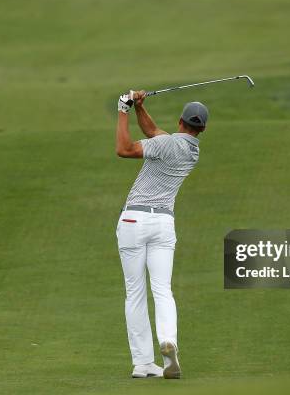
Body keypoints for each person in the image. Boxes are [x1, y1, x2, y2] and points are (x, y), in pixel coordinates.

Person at [115, 90, 208, 379]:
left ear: (180, 121)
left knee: (135, 292)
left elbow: (125, 149)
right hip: (163, 225)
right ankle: (169, 342)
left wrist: (123, 110)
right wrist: (141, 108)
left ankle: (142, 362)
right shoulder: (191, 151)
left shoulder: (165, 144)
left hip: (133, 220)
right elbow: (154, 132)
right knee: (162, 289)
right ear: (202, 129)